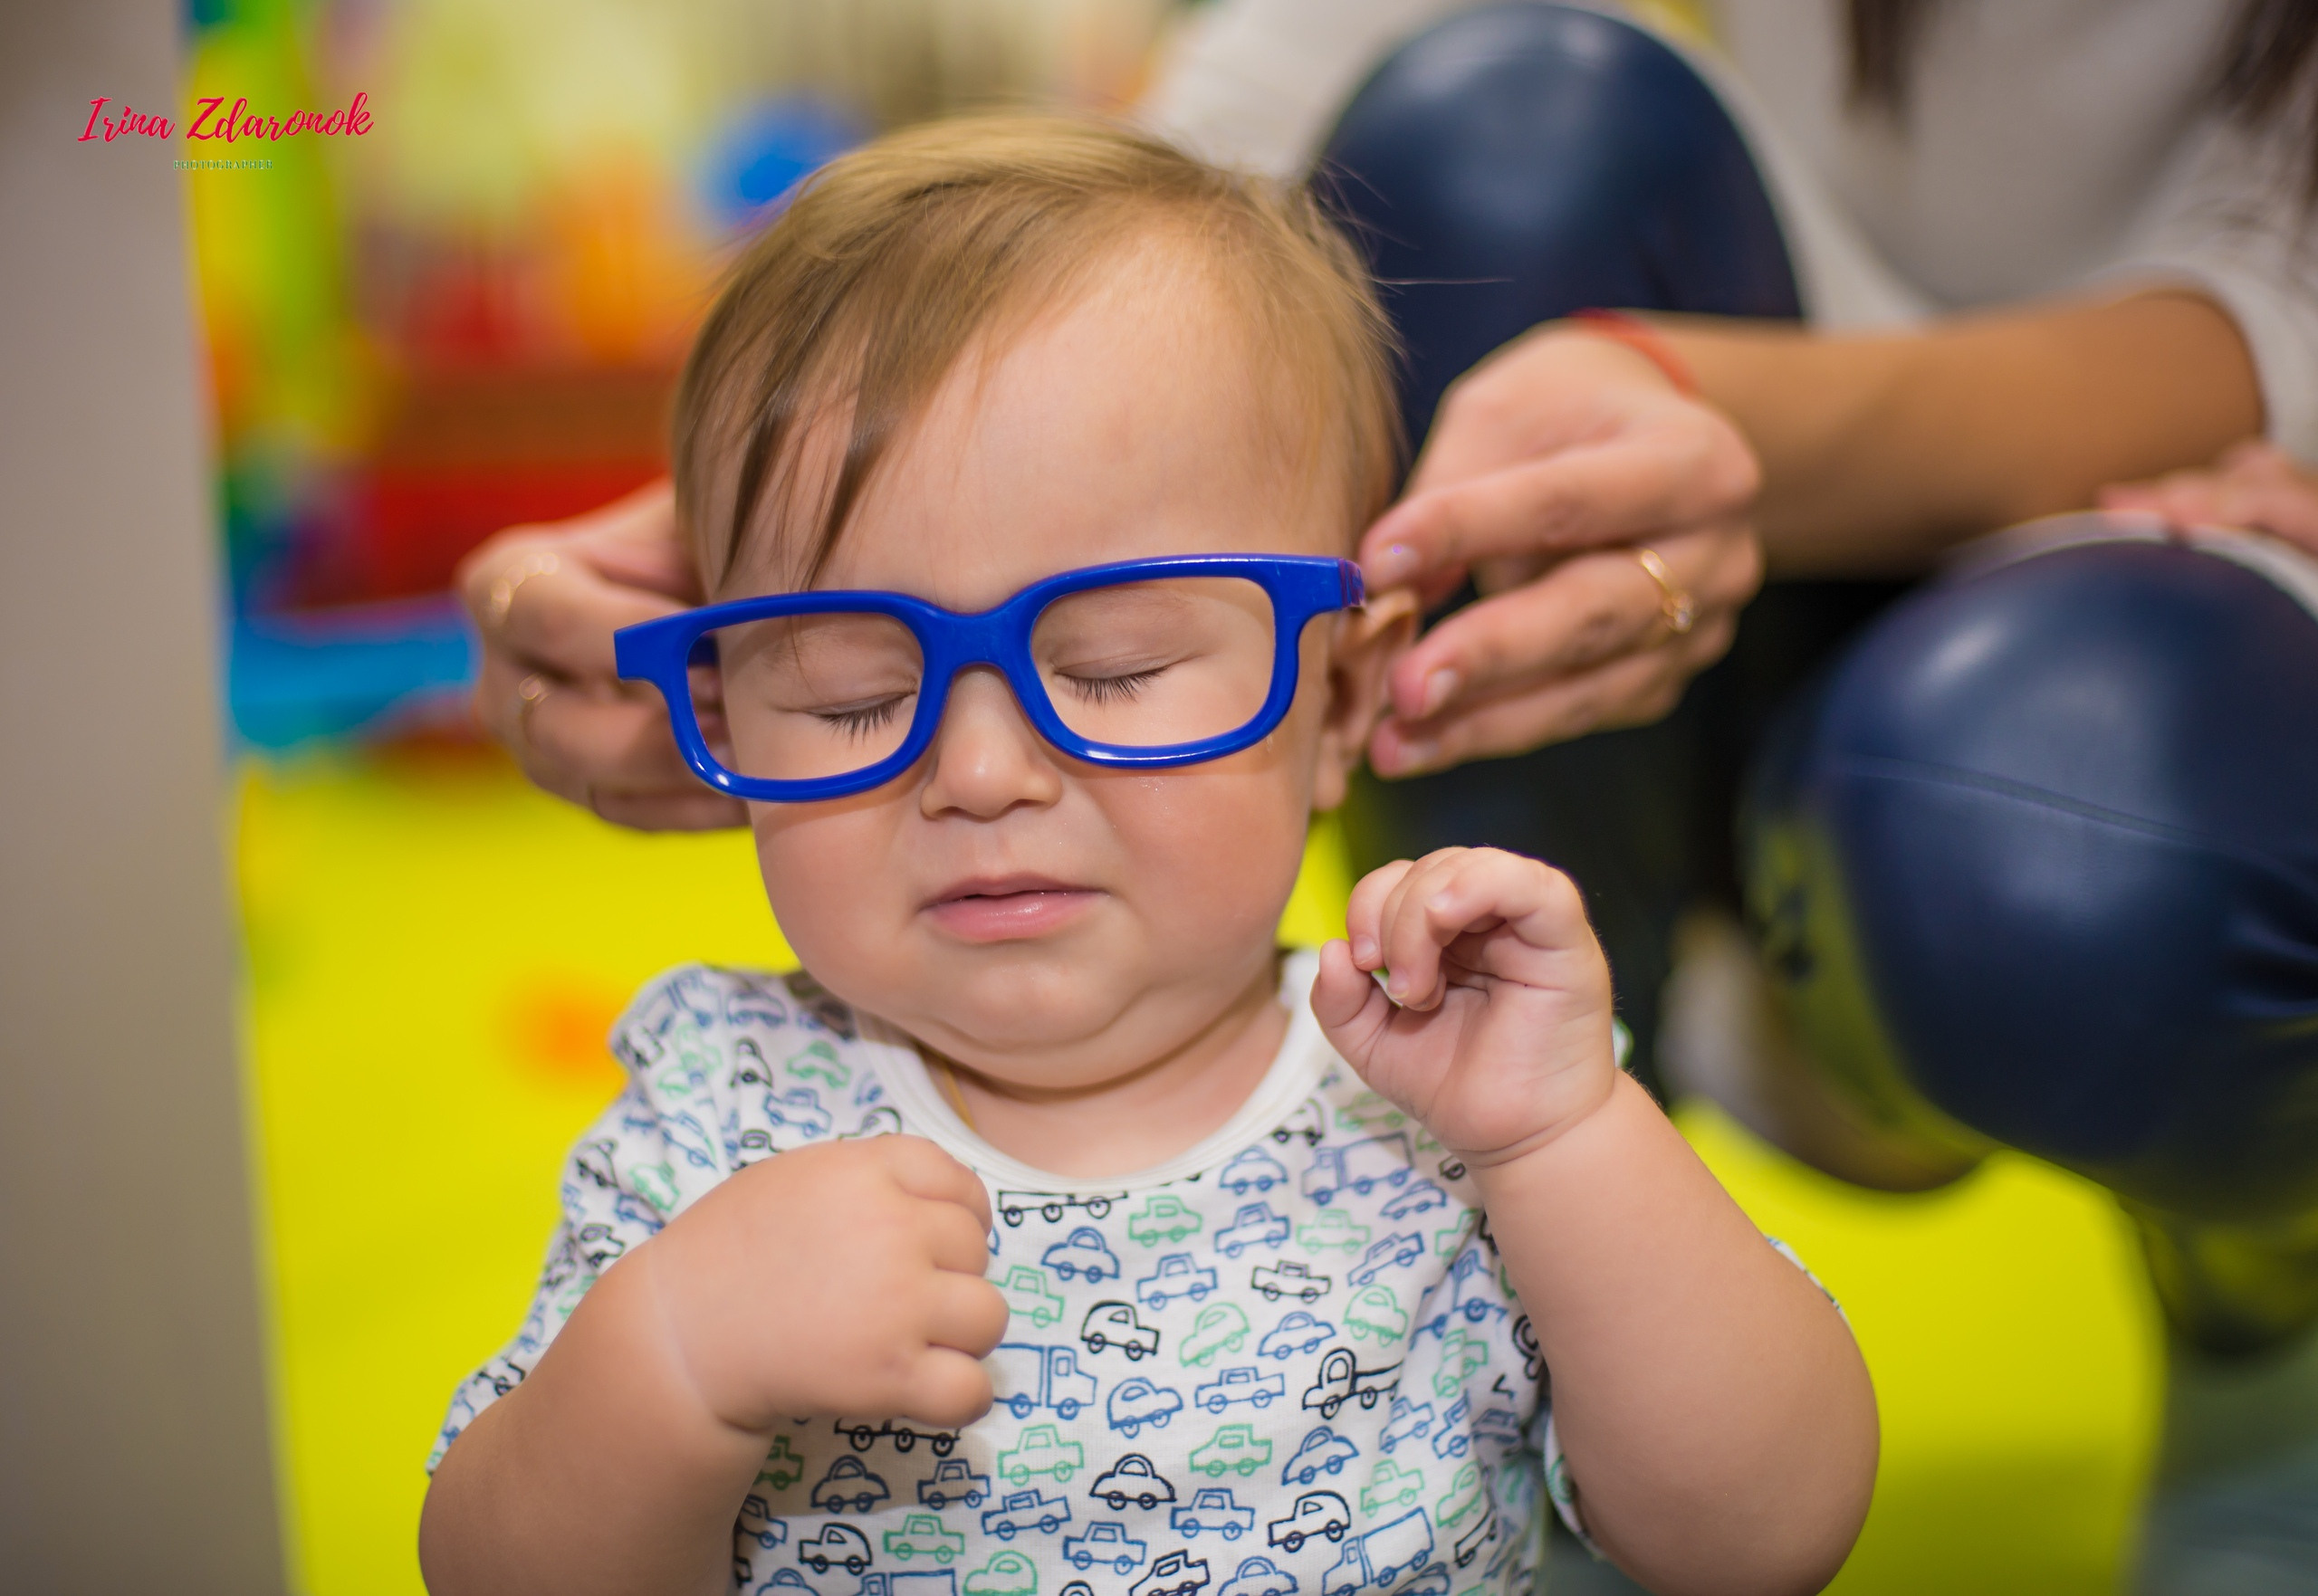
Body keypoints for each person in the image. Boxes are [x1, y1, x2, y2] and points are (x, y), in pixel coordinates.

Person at [417, 117, 1876, 1596]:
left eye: (1111, 667)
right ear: (726, 711)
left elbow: (1762, 1538)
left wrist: (1563, 1143)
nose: (978, 773)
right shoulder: (722, 1103)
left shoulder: (1445, 1096)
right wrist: (670, 1362)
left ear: (1341, 699)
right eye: (856, 690)